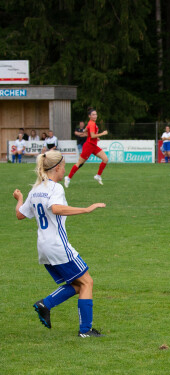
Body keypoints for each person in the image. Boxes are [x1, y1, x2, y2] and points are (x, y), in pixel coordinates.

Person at [13, 150, 106, 337]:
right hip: (58, 245)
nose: (65, 170)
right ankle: (85, 331)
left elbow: (20, 214)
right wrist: (86, 209)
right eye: (64, 166)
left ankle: (45, 304)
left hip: (44, 248)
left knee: (78, 284)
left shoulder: (36, 190)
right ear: (57, 168)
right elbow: (56, 208)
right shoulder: (55, 188)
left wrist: (20, 199)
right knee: (87, 282)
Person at [65, 108, 108, 187]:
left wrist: (94, 137)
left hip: (93, 146)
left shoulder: (91, 123)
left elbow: (86, 131)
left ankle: (98, 176)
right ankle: (68, 178)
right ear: (89, 116)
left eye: (96, 114)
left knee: (105, 159)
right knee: (80, 163)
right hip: (88, 146)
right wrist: (102, 134)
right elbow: (92, 135)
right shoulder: (92, 124)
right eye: (93, 115)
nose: (95, 116)